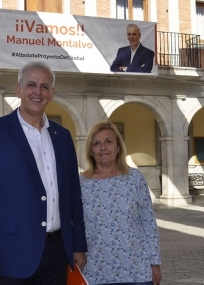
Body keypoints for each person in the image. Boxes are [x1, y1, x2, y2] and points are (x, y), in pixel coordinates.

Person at [0, 61, 87, 285]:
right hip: (11, 255)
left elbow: (73, 198)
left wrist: (78, 246)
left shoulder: (62, 137)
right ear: (19, 89)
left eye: (44, 86)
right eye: (31, 84)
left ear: (52, 93)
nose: (37, 92)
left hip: (57, 254)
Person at [80, 121, 162, 285]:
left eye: (108, 141)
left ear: (118, 147)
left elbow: (148, 222)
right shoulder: (81, 183)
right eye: (96, 143)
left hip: (136, 270)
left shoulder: (134, 178)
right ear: (91, 150)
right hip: (95, 271)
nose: (103, 147)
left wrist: (155, 262)